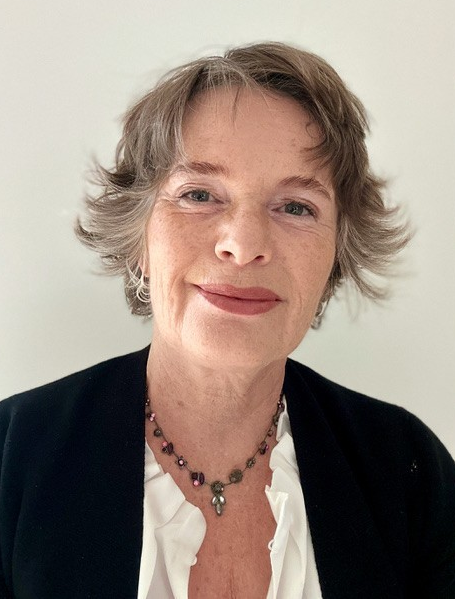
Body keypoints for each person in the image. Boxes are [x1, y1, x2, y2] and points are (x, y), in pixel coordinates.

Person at [0, 42, 454, 599]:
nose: (243, 244)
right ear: (138, 238)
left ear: (337, 252)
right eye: (199, 194)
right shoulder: (10, 457)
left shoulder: (409, 470)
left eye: (296, 206)